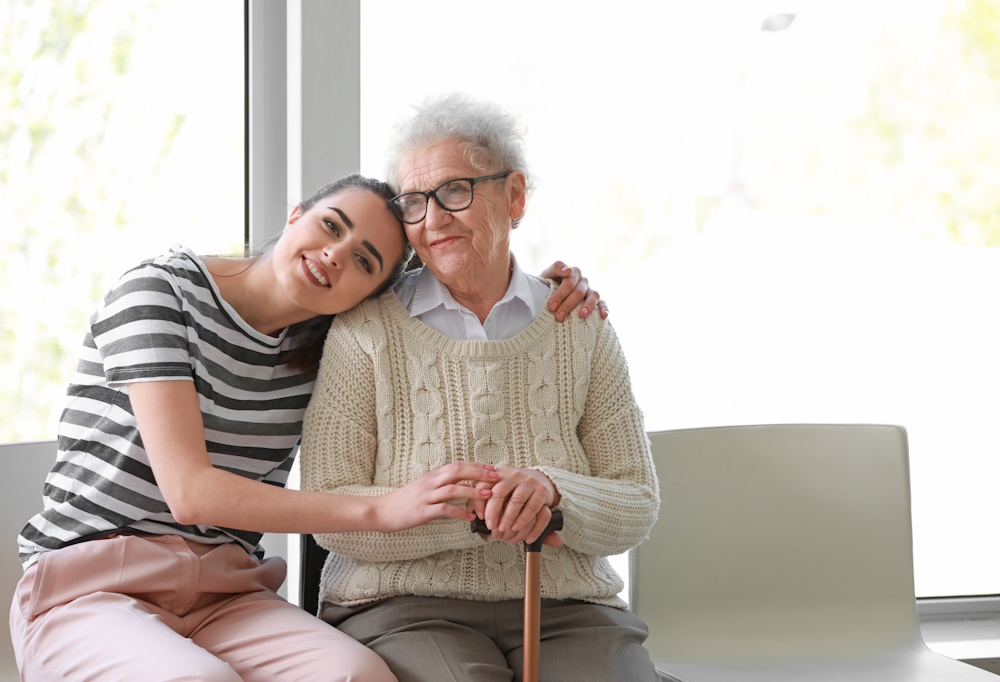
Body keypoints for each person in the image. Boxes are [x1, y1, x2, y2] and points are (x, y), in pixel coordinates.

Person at [9, 172, 605, 682]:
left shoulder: (328, 348)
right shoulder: (160, 292)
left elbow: (445, 303)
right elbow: (190, 493)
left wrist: (547, 287)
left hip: (225, 593)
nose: (336, 254)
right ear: (297, 215)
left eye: (364, 262)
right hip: (90, 585)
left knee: (359, 675)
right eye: (332, 225)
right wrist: (383, 509)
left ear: (368, 295)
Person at [299, 94, 660, 682]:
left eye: (456, 191)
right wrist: (477, 510)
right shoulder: (365, 330)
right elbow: (327, 507)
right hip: (400, 609)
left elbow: (636, 502)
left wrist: (553, 495)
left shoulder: (579, 325)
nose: (434, 219)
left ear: (513, 195)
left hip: (566, 608)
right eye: (413, 203)